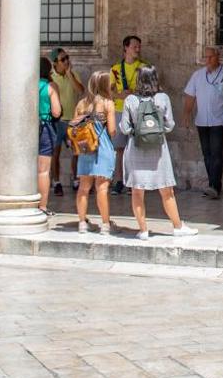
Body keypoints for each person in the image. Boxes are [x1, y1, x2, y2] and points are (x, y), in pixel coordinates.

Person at [124, 65, 197, 237]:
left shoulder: (130, 100)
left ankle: (143, 230)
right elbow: (170, 125)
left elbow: (125, 128)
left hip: (136, 149)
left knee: (137, 190)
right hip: (158, 150)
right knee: (166, 190)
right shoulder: (163, 98)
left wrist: (137, 130)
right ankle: (178, 227)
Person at [183, 46, 223, 199]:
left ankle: (215, 186)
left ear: (218, 57)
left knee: (216, 154)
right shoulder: (197, 75)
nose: (208, 60)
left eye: (211, 57)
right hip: (202, 121)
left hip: (219, 120)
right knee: (207, 154)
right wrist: (187, 114)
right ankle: (212, 185)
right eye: (206, 57)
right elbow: (190, 97)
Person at [71, 70, 119, 234]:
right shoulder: (107, 103)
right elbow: (112, 130)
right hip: (102, 148)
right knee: (102, 189)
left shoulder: (81, 104)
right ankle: (105, 225)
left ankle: (82, 223)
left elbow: (74, 127)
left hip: (85, 149)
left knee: (84, 188)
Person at [111, 36, 150, 194]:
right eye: (134, 46)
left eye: (139, 46)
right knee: (119, 148)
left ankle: (133, 182)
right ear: (125, 48)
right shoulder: (115, 68)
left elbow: (150, 88)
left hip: (137, 111)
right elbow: (109, 90)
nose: (137, 49)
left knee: (135, 148)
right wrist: (119, 95)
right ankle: (119, 180)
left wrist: (134, 92)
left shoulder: (144, 67)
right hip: (120, 110)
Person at [48, 48, 82, 197]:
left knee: (77, 152)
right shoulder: (50, 78)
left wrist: (69, 74)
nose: (67, 61)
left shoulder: (73, 75)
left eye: (67, 58)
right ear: (55, 62)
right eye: (63, 59)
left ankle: (76, 180)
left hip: (73, 120)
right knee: (55, 153)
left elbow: (80, 90)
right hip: (57, 121)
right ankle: (57, 182)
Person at [36, 56, 62, 215]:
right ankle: (42, 207)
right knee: (43, 171)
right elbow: (56, 111)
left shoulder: (28, 85)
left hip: (28, 130)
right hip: (45, 128)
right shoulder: (50, 86)